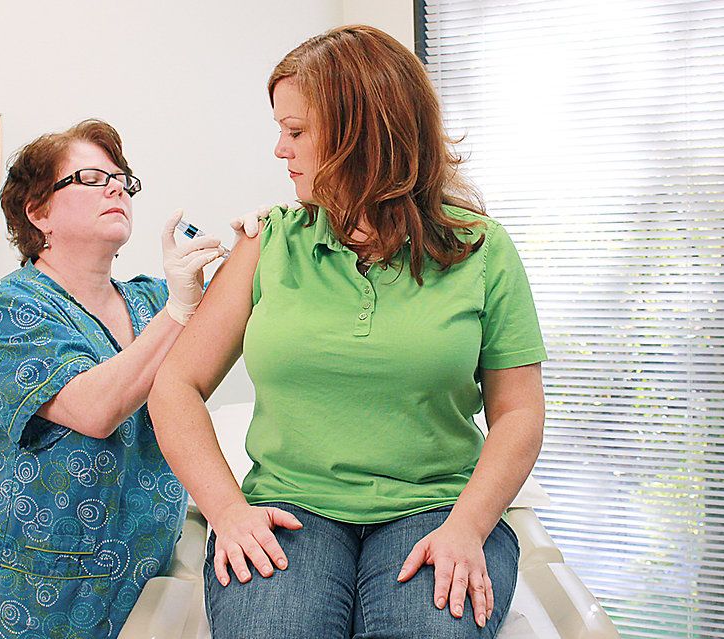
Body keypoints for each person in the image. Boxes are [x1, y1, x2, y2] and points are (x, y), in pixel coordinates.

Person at [148, 26, 547, 639]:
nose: (280, 150)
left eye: (297, 130)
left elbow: (518, 413)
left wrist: (469, 526)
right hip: (292, 508)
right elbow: (175, 385)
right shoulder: (267, 243)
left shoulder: (482, 250)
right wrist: (228, 512)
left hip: (439, 508)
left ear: (364, 132)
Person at [0, 119, 265, 639]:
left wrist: (261, 242)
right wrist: (182, 309)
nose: (116, 187)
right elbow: (95, 409)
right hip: (31, 601)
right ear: (39, 210)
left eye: (122, 179)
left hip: (141, 589)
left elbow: (231, 332)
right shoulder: (9, 309)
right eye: (90, 178)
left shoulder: (150, 301)